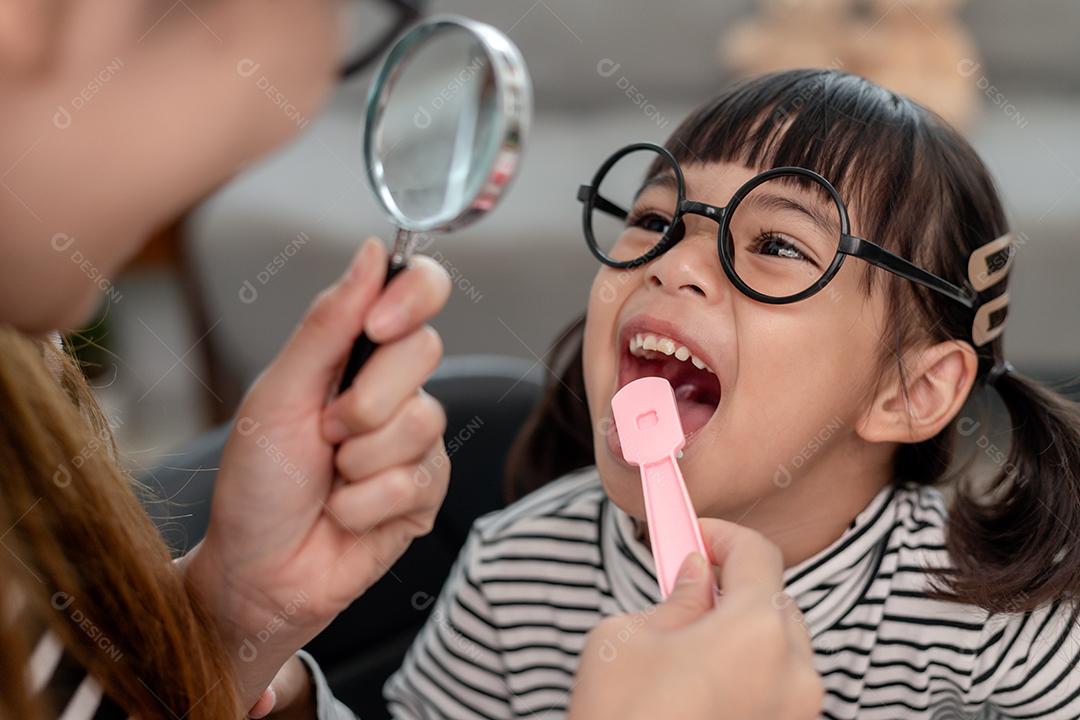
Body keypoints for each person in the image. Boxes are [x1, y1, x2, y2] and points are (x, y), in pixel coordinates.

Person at [0, 2, 822, 718]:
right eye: (351, 15)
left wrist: (225, 622)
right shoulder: (507, 571)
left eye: (778, 245)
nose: (301, 100)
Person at [385, 68, 1080, 719]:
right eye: (656, 222)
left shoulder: (1002, 633)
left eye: (777, 245)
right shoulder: (513, 575)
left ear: (911, 390)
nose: (675, 262)